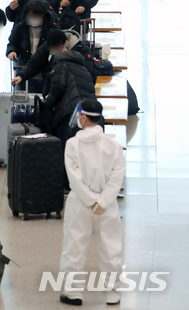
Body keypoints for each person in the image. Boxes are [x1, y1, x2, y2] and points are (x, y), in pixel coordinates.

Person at [59, 99, 125, 307]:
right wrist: (102, 201)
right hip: (106, 207)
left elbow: (74, 178)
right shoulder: (113, 146)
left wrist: (90, 199)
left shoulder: (72, 145)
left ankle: (73, 292)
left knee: (74, 247)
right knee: (110, 249)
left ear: (84, 117)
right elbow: (117, 177)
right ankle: (112, 294)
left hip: (80, 204)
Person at [40, 39, 96, 151]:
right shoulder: (82, 67)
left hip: (71, 111)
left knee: (68, 147)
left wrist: (46, 104)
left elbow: (57, 87)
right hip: (89, 110)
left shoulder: (60, 65)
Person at [11, 29, 97, 91]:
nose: (54, 50)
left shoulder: (82, 50)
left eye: (56, 47)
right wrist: (21, 76)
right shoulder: (48, 46)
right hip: (55, 88)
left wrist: (67, 56)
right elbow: (34, 63)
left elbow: (87, 74)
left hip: (76, 90)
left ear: (66, 42)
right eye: (52, 48)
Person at [6, 0, 59, 92]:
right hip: (25, 69)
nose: (33, 18)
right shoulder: (20, 27)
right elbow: (13, 42)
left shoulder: (52, 29)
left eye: (36, 16)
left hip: (46, 73)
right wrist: (12, 51)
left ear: (43, 15)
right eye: (30, 16)